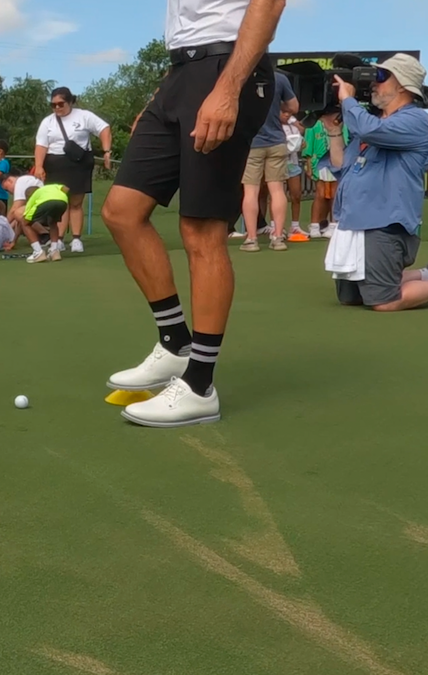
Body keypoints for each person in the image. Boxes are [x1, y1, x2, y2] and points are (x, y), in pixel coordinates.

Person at [100, 0, 283, 427]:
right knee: (121, 211)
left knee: (201, 230)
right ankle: (175, 343)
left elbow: (269, 4)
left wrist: (226, 89)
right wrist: (166, 90)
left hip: (228, 68)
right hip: (180, 73)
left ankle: (200, 385)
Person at [323, 54, 428, 310]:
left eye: (381, 77)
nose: (373, 83)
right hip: (354, 222)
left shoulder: (415, 121)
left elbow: (372, 131)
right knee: (351, 298)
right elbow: (342, 166)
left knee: (384, 301)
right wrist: (333, 129)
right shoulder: (375, 122)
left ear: (403, 86)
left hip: (384, 223)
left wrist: (348, 100)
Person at [34, 87, 112, 253]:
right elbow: (41, 145)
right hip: (55, 164)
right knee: (58, 203)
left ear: (70, 102)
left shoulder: (84, 116)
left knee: (76, 203)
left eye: (60, 104)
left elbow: (104, 129)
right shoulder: (48, 122)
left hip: (78, 163)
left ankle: (76, 239)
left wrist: (106, 151)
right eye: (53, 105)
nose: (57, 108)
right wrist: (39, 166)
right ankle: (59, 239)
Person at [238, 69, 297, 252]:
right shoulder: (279, 78)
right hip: (276, 141)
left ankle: (252, 239)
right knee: (277, 190)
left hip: (251, 143)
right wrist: (278, 107)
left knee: (250, 192)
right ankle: (278, 237)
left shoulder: (240, 76)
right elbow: (294, 107)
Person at [302, 105, 346, 238]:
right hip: (320, 162)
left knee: (335, 194)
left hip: (336, 161)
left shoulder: (342, 124)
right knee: (320, 194)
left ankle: (333, 224)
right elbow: (308, 145)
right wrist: (309, 165)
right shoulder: (314, 124)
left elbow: (346, 140)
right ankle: (314, 225)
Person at [21, 184, 69, 263]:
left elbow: (26, 217)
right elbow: (66, 188)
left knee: (24, 223)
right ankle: (54, 251)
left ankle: (38, 252)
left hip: (45, 202)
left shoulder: (33, 197)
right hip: (63, 201)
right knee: (53, 222)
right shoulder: (51, 187)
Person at [281, 111, 307, 240]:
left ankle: (295, 226)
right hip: (279, 162)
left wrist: (293, 121)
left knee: (296, 195)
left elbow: (302, 131)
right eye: (283, 112)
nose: (286, 115)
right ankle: (277, 227)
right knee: (278, 195)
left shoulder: (293, 123)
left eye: (288, 113)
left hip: (292, 162)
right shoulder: (274, 125)